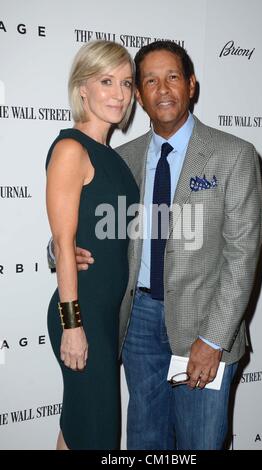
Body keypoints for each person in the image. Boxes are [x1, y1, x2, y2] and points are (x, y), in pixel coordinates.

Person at [51, 40, 262, 450]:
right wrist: (59, 250)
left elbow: (242, 257)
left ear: (192, 85)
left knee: (200, 442)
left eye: (172, 77)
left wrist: (214, 340)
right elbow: (83, 224)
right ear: (141, 97)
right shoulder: (123, 158)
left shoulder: (234, 155)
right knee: (146, 441)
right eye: (149, 80)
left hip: (205, 326)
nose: (162, 89)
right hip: (138, 325)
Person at [45, 39, 139, 450]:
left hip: (107, 317)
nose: (120, 94)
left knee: (80, 429)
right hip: (79, 315)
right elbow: (64, 245)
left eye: (127, 83)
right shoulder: (71, 149)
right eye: (107, 81)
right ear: (83, 88)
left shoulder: (112, 156)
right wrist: (72, 326)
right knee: (99, 436)